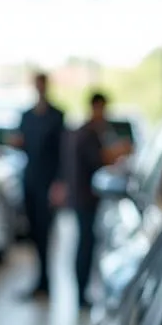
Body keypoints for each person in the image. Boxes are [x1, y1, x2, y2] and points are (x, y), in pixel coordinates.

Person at [67, 91, 123, 310]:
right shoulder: (88, 133)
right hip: (84, 198)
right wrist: (118, 152)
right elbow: (99, 160)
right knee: (85, 244)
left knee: (87, 243)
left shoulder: (92, 131)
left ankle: (82, 292)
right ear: (95, 107)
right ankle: (80, 294)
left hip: (86, 197)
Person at [12, 73, 65, 298]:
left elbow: (62, 152)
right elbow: (21, 143)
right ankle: (40, 281)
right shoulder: (26, 116)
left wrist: (60, 182)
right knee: (34, 232)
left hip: (48, 181)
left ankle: (47, 282)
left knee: (46, 232)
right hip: (31, 181)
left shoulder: (57, 116)